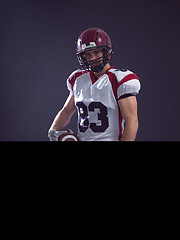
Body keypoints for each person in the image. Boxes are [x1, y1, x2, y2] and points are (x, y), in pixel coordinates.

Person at [48, 28, 141, 141]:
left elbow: (132, 121)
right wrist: (53, 131)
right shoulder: (78, 79)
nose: (92, 58)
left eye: (96, 52)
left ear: (105, 51)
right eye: (88, 54)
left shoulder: (119, 79)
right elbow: (67, 110)